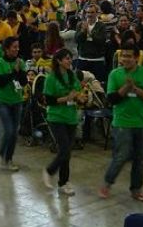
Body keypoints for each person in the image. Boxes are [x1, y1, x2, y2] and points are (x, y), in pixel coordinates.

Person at [99, 45, 143, 202]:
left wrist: (136, 89)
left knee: (140, 159)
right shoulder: (115, 74)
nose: (125, 59)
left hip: (142, 122)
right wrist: (126, 87)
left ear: (137, 58)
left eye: (129, 56)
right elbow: (112, 99)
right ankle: (107, 183)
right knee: (121, 155)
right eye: (123, 56)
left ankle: (136, 189)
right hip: (122, 122)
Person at [42, 49, 84, 196]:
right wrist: (67, 98)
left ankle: (63, 183)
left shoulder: (72, 75)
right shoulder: (51, 78)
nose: (69, 61)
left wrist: (79, 98)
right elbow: (49, 100)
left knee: (66, 152)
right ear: (59, 61)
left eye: (70, 59)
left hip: (71, 117)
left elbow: (77, 92)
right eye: (66, 59)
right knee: (65, 148)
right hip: (56, 117)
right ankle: (49, 170)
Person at [0, 37, 27, 171]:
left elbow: (23, 82)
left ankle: (9, 159)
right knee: (9, 130)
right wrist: (14, 71)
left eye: (18, 47)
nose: (17, 49)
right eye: (14, 47)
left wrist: (19, 72)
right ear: (6, 49)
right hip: (2, 102)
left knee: (14, 133)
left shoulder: (21, 62)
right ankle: (1, 153)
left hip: (17, 101)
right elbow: (1, 83)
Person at [75, 4, 108, 83]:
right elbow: (77, 40)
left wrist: (90, 33)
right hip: (83, 58)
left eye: (92, 12)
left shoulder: (101, 26)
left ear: (97, 13)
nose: (89, 14)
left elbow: (101, 41)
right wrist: (83, 31)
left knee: (97, 84)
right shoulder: (80, 24)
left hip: (97, 60)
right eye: (88, 12)